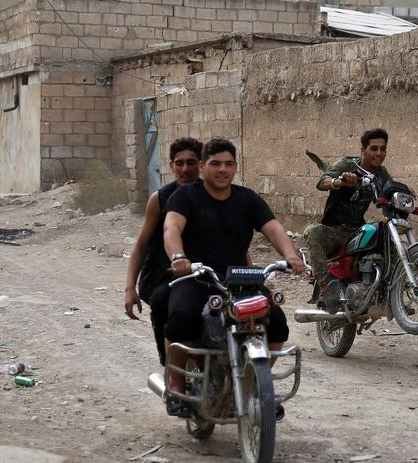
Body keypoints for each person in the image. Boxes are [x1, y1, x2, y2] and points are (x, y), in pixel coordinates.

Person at [162, 138, 305, 417]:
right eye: (215, 164)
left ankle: (258, 385)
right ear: (203, 166)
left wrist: (291, 256)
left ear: (236, 167)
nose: (222, 170)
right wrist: (179, 258)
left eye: (228, 164)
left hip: (240, 280)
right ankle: (175, 386)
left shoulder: (246, 198)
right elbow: (171, 229)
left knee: (275, 321)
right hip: (198, 277)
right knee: (181, 316)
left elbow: (273, 227)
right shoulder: (186, 197)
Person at [124, 137, 203, 366]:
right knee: (161, 301)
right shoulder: (160, 199)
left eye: (191, 162)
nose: (185, 169)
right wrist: (130, 288)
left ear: (201, 164)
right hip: (165, 274)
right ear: (171, 166)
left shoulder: (211, 195)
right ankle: (171, 369)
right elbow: (140, 244)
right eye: (179, 163)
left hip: (203, 270)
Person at [303, 128, 393, 303]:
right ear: (363, 151)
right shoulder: (348, 164)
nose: (379, 153)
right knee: (313, 231)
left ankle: (390, 290)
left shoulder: (381, 174)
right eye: (374, 149)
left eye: (383, 149)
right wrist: (339, 181)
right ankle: (327, 288)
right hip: (334, 231)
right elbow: (322, 182)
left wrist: (403, 193)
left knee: (387, 233)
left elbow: (389, 194)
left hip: (358, 231)